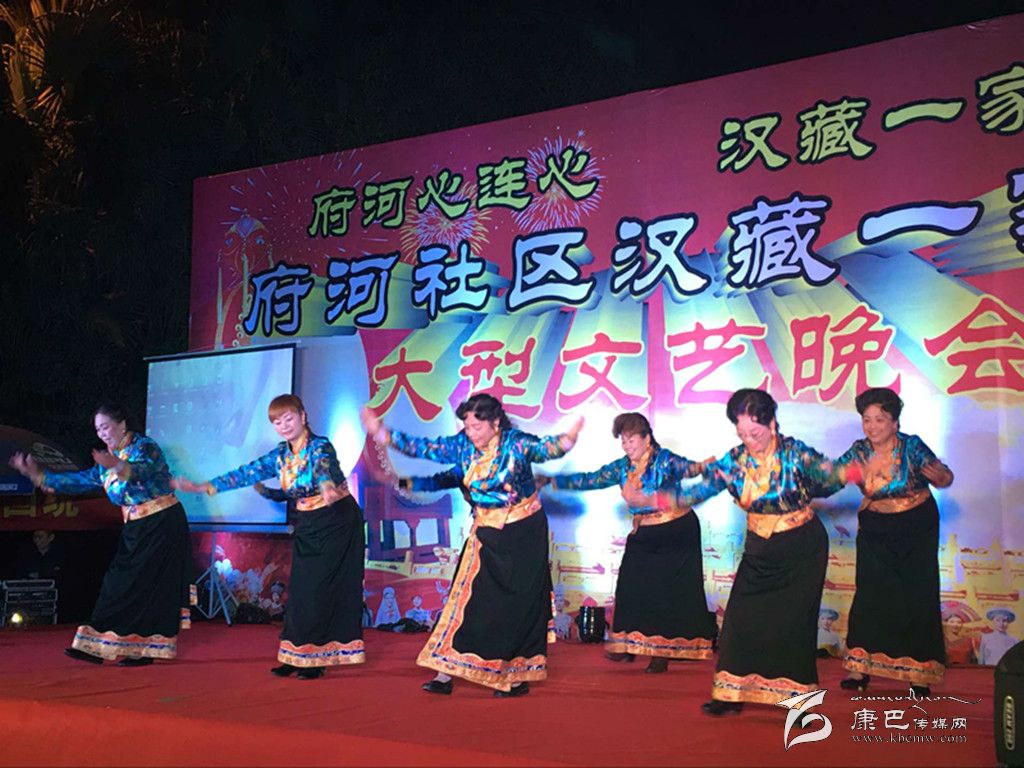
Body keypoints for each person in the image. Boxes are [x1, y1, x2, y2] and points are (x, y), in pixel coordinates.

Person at [362, 392, 582, 697]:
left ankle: (515, 675)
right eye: (467, 427)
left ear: (495, 423)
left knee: (518, 604)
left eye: (477, 427)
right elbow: (428, 449)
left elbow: (546, 449)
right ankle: (445, 671)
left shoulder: (515, 443)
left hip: (524, 533)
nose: (471, 433)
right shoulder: (462, 445)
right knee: (463, 599)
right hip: (486, 532)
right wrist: (383, 434)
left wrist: (568, 438)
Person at [675, 388, 868, 716]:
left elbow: (829, 476)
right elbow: (704, 487)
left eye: (756, 432)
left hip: (801, 546)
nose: (750, 440)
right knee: (739, 619)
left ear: (772, 423)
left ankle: (800, 701)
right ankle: (730, 693)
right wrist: (667, 501)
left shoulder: (794, 453)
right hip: (760, 547)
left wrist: (849, 472)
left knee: (794, 625)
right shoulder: (736, 460)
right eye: (742, 434)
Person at [175, 394, 364, 680]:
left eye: (289, 418)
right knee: (300, 590)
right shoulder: (279, 455)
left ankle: (315, 658)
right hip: (309, 523)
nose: (284, 425)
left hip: (336, 521)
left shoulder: (319, 446)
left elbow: (324, 467)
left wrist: (326, 486)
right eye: (277, 421)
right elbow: (246, 473)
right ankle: (294, 654)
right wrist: (205, 486)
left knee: (319, 590)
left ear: (303, 417)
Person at [9, 403, 192, 666]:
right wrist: (38, 475)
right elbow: (79, 481)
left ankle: (133, 649)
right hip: (137, 526)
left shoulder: (144, 447)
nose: (102, 434)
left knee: (145, 585)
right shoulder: (106, 461)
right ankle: (119, 647)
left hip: (163, 521)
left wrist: (118, 465)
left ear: (122, 424)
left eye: (106, 427)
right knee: (124, 583)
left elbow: (140, 471)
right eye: (98, 430)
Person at [536, 412, 716, 673]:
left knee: (667, 592)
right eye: (623, 441)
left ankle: (661, 652)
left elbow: (687, 468)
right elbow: (592, 479)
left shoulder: (664, 460)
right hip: (645, 530)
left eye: (631, 440)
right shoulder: (622, 467)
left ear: (646, 438)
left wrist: (703, 467)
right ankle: (628, 643)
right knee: (630, 584)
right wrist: (553, 481)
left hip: (676, 530)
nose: (627, 446)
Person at [834, 388, 954, 696]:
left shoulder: (911, 446)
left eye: (880, 419)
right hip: (876, 527)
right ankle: (860, 668)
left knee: (917, 594)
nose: (872, 426)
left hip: (916, 526)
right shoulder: (860, 450)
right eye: (867, 419)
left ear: (894, 422)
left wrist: (941, 476)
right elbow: (833, 475)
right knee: (870, 594)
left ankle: (919, 674)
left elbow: (944, 477)